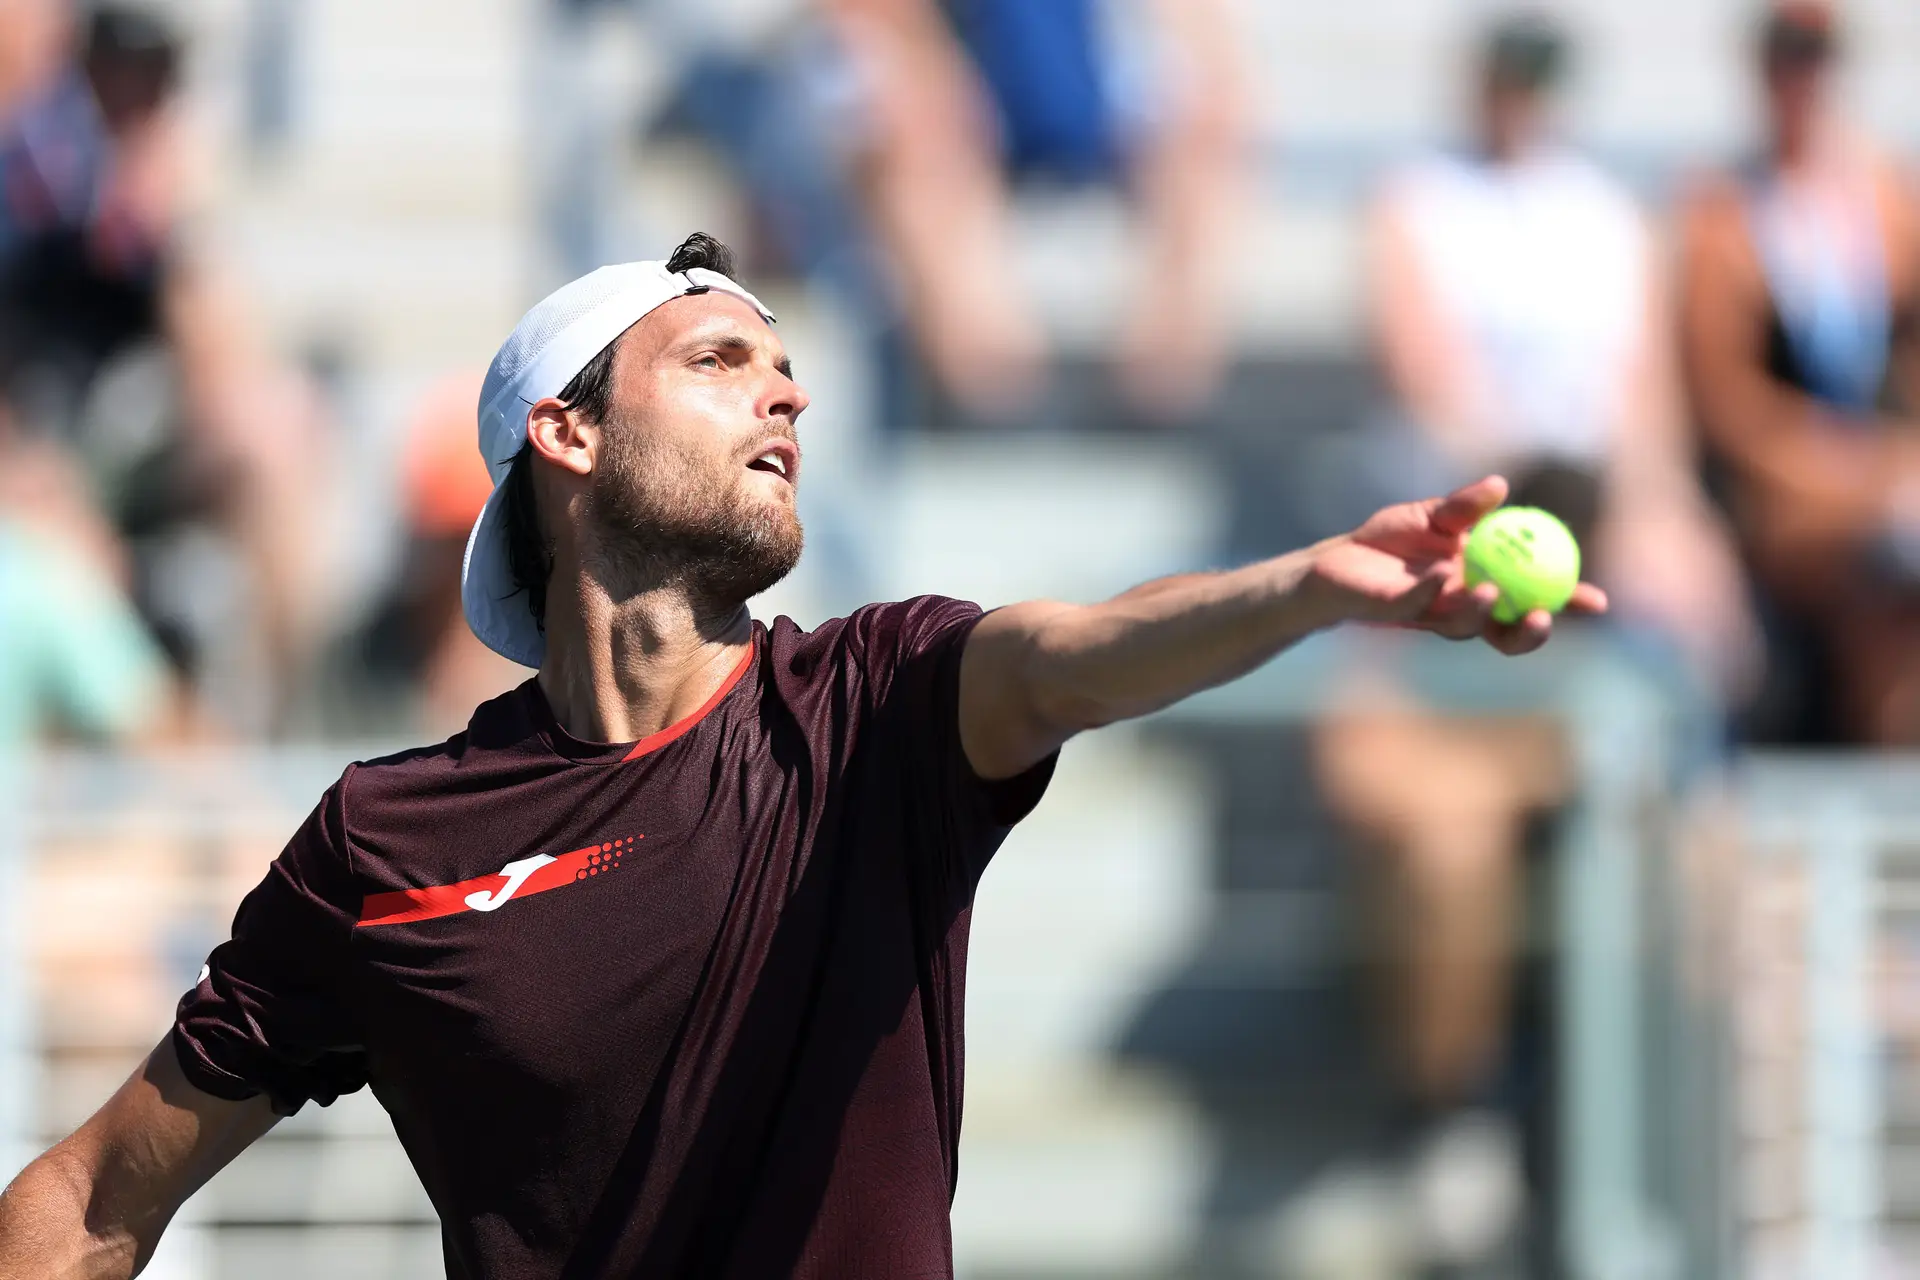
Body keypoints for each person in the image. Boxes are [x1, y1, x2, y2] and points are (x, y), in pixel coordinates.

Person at [0, 233, 1603, 1279]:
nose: (784, 389)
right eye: (714, 362)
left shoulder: (874, 704)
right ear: (564, 435)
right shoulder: (389, 842)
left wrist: (1313, 586)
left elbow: (1080, 653)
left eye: (783, 369)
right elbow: (85, 1204)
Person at [1309, 13, 1751, 1265]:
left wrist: (1669, 528)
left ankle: (1679, 1134)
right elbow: (1428, 373)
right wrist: (1527, 500)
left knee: (1700, 846)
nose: (1518, 106)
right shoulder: (1421, 203)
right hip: (1465, 556)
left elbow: (1644, 410)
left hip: (1586, 567)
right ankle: (1449, 1112)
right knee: (1446, 841)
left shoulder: (1604, 217)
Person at [0, 4, 334, 725]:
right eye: (123, 75)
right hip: (37, 449)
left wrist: (177, 234)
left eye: (158, 77)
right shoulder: (29, 159)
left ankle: (290, 736)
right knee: (54, 561)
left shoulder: (161, 185)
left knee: (273, 438)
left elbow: (223, 368)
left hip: (133, 446)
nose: (141, 95)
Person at [1678, 0, 1920, 745]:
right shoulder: (1720, 211)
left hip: (1890, 478)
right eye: (1788, 57)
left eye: (1817, 57)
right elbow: (1727, 404)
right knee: (1884, 556)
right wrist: (1862, 479)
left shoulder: (1885, 199)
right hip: (1780, 494)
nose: (1803, 80)